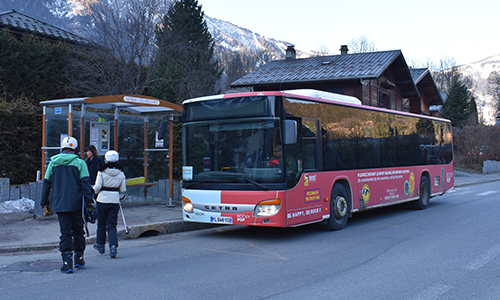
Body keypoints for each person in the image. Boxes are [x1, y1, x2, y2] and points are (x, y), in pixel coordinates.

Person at [41, 137, 93, 274]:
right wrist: (89, 202)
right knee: (78, 231)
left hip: (59, 203)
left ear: (61, 148)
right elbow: (85, 184)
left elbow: (46, 183)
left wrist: (44, 203)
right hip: (76, 203)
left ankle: (66, 262)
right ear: (75, 148)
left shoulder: (52, 163)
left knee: (65, 233)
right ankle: (79, 258)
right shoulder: (80, 163)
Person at [93, 150, 126, 258]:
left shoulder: (101, 172)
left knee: (101, 224)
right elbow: (122, 189)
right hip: (114, 200)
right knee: (112, 225)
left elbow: (97, 187)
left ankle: (100, 245)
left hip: (102, 200)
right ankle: (113, 246)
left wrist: (94, 191)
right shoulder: (121, 173)